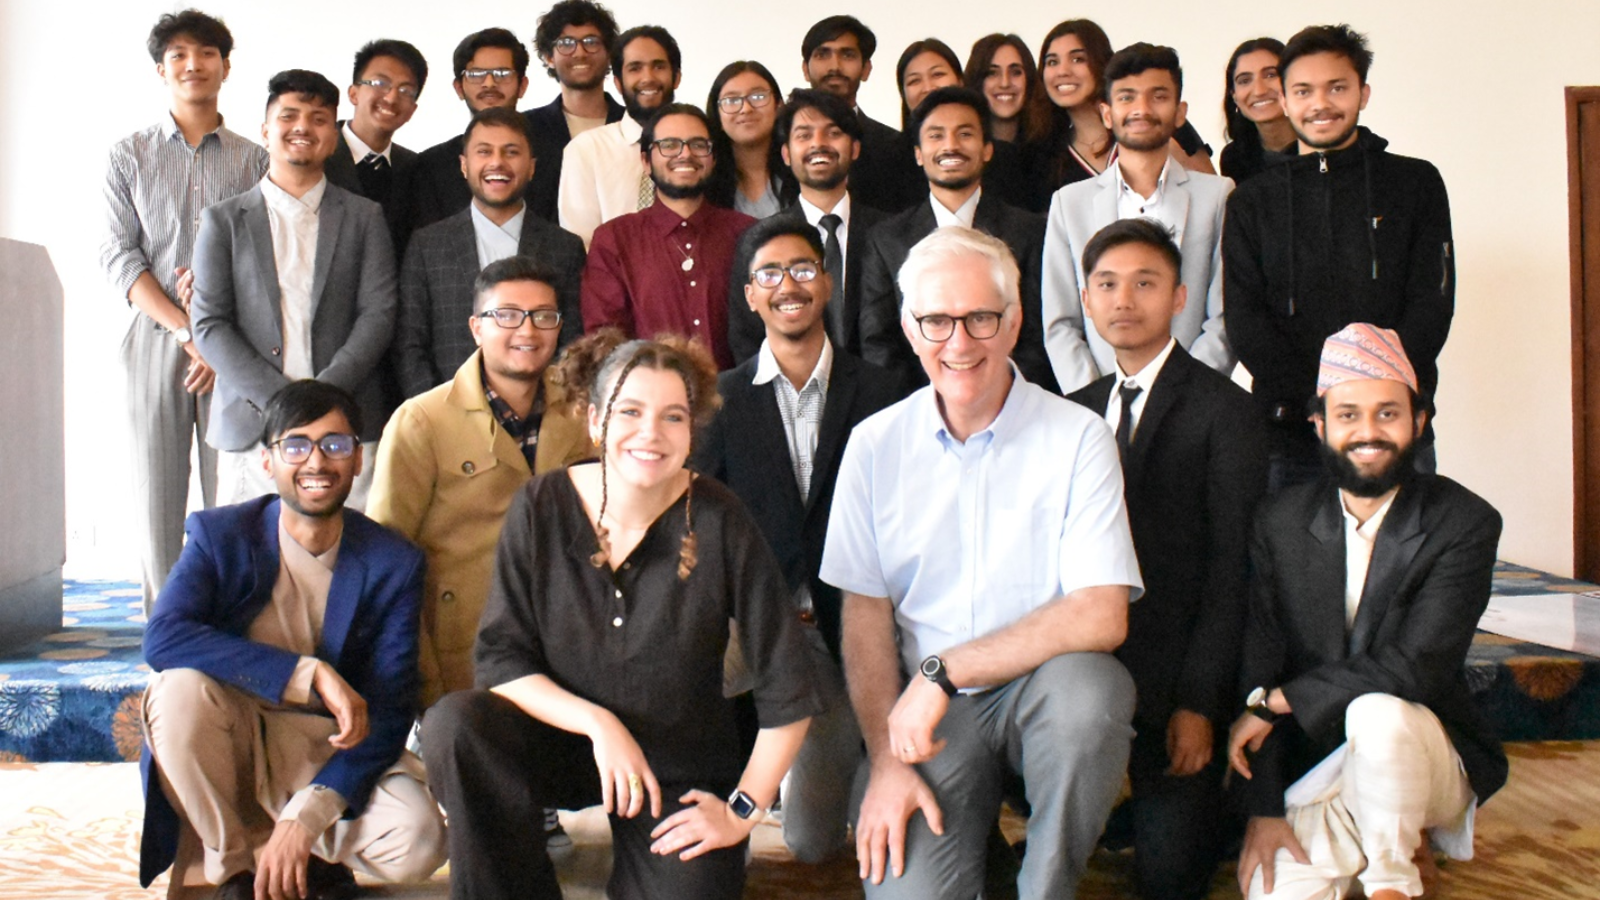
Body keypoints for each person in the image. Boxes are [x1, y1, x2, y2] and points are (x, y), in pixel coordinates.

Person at [423, 330, 821, 900]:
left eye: (673, 417)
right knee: (455, 725)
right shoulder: (542, 505)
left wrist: (740, 811)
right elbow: (500, 661)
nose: (650, 434)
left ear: (692, 431)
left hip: (677, 767)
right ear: (595, 422)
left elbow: (788, 685)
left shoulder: (722, 518)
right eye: (629, 411)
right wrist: (598, 724)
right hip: (558, 742)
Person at [822, 226, 1140, 899]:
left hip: (1042, 694)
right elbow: (864, 616)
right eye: (937, 320)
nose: (959, 343)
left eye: (980, 318)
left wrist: (948, 669)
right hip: (929, 721)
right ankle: (981, 856)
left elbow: (1102, 613)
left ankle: (1044, 887)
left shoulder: (1079, 436)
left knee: (1094, 697)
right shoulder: (874, 446)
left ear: (1015, 320)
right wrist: (884, 759)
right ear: (910, 329)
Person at [1226, 323, 1507, 900]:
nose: (1368, 433)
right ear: (1320, 425)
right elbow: (1262, 661)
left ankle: (1392, 882)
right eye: (1349, 414)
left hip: (1425, 749)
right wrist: (1265, 809)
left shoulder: (1465, 522)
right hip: (1320, 756)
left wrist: (1284, 700)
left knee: (1378, 714)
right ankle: (1384, 840)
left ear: (1419, 423)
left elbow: (1416, 667)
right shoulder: (1279, 521)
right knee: (1281, 893)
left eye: (1388, 414)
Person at [139, 380, 446, 899]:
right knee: (176, 692)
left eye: (335, 444)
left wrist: (308, 816)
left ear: (358, 461)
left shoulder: (393, 561)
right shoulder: (221, 535)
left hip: (324, 745)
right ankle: (236, 869)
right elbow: (163, 637)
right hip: (230, 732)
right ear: (267, 462)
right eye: (296, 445)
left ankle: (302, 857)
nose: (316, 462)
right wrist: (306, 674)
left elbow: (392, 706)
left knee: (419, 839)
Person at [1065, 219, 1267, 900]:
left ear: (1180, 297)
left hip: (1178, 683)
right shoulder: (1070, 413)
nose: (1125, 300)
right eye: (1108, 284)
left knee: (1170, 879)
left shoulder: (1226, 412)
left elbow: (1232, 568)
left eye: (1146, 283)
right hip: (1088, 677)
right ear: (1086, 300)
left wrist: (1197, 704)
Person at [694, 217, 900, 862]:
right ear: (751, 295)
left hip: (863, 624)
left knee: (824, 826)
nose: (790, 285)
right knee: (811, 845)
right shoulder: (719, 403)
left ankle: (876, 774)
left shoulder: (886, 394)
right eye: (770, 275)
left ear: (828, 283)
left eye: (804, 269)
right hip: (773, 632)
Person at [1223, 24, 1455, 489]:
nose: (1320, 104)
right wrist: (1324, 403)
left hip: (1393, 424)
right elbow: (1246, 318)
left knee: (1403, 559)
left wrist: (1366, 402)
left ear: (1363, 93)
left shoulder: (1415, 183)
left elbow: (1432, 302)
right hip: (1290, 430)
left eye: (1337, 88)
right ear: (1285, 100)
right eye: (1304, 91)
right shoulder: (1253, 200)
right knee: (1293, 560)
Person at [101, 9, 268, 614]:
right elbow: (118, 256)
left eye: (205, 53)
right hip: (154, 338)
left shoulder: (256, 159)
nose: (192, 64)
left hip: (238, 341)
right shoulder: (129, 156)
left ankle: (228, 619)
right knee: (157, 491)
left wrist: (217, 341)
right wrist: (185, 331)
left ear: (225, 66)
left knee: (234, 488)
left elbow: (262, 260)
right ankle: (166, 624)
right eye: (178, 55)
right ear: (160, 69)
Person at [371, 256, 592, 708]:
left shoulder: (582, 413)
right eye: (507, 315)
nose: (527, 331)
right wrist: (418, 680)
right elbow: (385, 559)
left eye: (543, 317)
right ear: (476, 327)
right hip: (461, 657)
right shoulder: (422, 421)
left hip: (566, 651)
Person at [191, 69, 396, 509]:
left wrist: (323, 400)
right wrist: (281, 401)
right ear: (266, 131)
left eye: (319, 118)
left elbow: (378, 313)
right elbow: (208, 323)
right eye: (289, 116)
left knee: (347, 555)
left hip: (347, 418)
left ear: (334, 137)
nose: (303, 127)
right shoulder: (223, 221)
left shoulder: (365, 217)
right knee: (250, 562)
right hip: (252, 424)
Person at [1041, 42, 1235, 394]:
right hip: (1100, 405)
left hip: (1192, 401)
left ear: (1180, 112)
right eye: (1127, 97)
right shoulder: (1069, 203)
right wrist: (1096, 398)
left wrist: (1183, 395)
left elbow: (1224, 318)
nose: (1141, 109)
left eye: (1158, 96)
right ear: (1106, 113)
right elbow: (1061, 323)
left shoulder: (1218, 195)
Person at [856, 87, 1057, 393]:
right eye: (936, 136)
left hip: (1011, 405)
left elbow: (1035, 337)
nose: (951, 146)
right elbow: (879, 343)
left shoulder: (1028, 232)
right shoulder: (886, 240)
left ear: (987, 149)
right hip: (917, 413)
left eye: (964, 134)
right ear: (918, 154)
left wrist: (1002, 400)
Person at [395, 107, 586, 398]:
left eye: (511, 152)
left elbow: (573, 343)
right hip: (446, 414)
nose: (497, 162)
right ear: (464, 165)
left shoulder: (565, 247)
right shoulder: (427, 245)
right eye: (484, 152)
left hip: (542, 414)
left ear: (532, 166)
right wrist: (437, 413)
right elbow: (409, 344)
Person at [581, 103, 754, 369]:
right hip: (648, 402)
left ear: (713, 158)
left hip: (737, 401)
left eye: (698, 145)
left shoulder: (748, 234)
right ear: (646, 162)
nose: (685, 154)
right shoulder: (614, 240)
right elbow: (605, 341)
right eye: (670, 145)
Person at [726, 89, 886, 365]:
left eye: (833, 133)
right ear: (786, 154)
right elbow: (746, 337)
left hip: (884, 397)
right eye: (804, 135)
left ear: (855, 148)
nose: (819, 144)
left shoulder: (890, 234)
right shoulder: (760, 240)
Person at [404, 28, 532, 245]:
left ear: (522, 86)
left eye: (502, 74)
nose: (489, 83)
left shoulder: (552, 157)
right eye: (476, 74)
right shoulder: (431, 166)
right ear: (459, 88)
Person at [558, 24, 682, 247]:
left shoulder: (697, 148)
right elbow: (580, 245)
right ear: (617, 82)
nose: (648, 78)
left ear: (677, 78)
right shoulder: (586, 150)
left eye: (658, 66)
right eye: (635, 68)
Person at [800, 16, 924, 213]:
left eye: (847, 55)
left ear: (866, 69)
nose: (835, 66)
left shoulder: (895, 147)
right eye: (823, 54)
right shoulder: (783, 142)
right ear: (805, 69)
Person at [524, 0, 625, 223]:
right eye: (566, 43)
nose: (579, 52)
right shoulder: (524, 130)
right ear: (549, 57)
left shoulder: (633, 127)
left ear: (609, 53)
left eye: (591, 42)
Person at [325, 39, 428, 256]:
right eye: (380, 84)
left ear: (413, 110)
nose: (391, 97)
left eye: (405, 90)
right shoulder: (317, 156)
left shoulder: (416, 169)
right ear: (353, 93)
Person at [964, 33, 1054, 213]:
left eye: (1015, 72)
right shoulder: (966, 154)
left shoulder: (1051, 153)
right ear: (977, 81)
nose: (1005, 83)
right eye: (992, 73)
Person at [705, 61, 786, 218]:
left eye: (758, 96)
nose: (746, 109)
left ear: (778, 106)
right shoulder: (705, 181)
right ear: (717, 114)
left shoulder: (801, 171)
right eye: (731, 100)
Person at [1218, 38, 1295, 185]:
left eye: (1271, 75)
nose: (1259, 91)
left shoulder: (1324, 146)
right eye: (1245, 80)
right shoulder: (1234, 158)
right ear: (1234, 95)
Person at [895, 39, 963, 129]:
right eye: (914, 80)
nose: (928, 88)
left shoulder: (984, 139)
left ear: (960, 81)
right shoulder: (888, 142)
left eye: (937, 74)